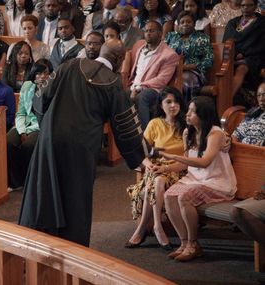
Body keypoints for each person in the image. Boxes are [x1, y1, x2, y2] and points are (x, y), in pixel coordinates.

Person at [19, 39, 149, 246]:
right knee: (75, 195)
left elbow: (40, 98)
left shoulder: (68, 66)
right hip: (82, 148)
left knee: (44, 187)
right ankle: (71, 248)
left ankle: (36, 243)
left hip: (50, 141)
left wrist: (47, 128)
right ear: (119, 59)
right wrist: (140, 157)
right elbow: (125, 124)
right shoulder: (113, 83)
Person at [162, 96, 237, 262]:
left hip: (217, 182)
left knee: (184, 197)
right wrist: (164, 167)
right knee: (168, 196)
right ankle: (183, 243)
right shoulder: (188, 132)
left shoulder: (215, 133)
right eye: (188, 110)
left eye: (192, 111)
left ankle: (193, 244)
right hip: (195, 179)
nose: (187, 114)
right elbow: (185, 164)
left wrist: (175, 157)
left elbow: (204, 162)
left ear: (204, 115)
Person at [125, 87, 186, 250]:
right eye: (168, 102)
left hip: (179, 170)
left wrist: (166, 168)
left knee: (157, 179)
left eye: (176, 102)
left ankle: (144, 228)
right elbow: (142, 152)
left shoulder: (186, 125)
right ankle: (157, 226)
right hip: (156, 169)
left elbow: (189, 157)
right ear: (161, 105)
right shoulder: (155, 123)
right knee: (157, 179)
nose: (173, 105)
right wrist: (148, 164)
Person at [7, 59, 52, 189]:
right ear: (33, 74)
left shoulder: (53, 89)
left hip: (41, 126)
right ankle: (15, 182)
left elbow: (46, 117)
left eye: (46, 73)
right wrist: (21, 131)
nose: (42, 76)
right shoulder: (27, 86)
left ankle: (29, 180)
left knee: (28, 145)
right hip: (24, 124)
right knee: (8, 142)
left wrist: (30, 131)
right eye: (38, 73)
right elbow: (20, 113)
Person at [129, 21, 179, 130]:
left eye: (152, 31)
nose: (148, 33)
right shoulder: (140, 49)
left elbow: (162, 80)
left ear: (160, 33)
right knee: (118, 95)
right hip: (134, 86)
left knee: (142, 97)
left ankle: (145, 136)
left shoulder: (169, 55)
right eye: (146, 31)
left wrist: (139, 87)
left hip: (155, 90)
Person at [223, 0, 265, 107]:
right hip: (233, 55)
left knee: (242, 68)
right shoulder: (233, 22)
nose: (245, 8)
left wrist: (243, 53)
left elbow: (260, 44)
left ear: (255, 6)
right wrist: (236, 53)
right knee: (224, 67)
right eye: (243, 5)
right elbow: (227, 41)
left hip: (255, 56)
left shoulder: (261, 23)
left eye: (249, 5)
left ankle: (225, 102)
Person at [165, 12, 213, 102]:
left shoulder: (202, 38)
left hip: (193, 72)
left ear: (194, 24)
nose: (185, 24)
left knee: (183, 82)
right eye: (182, 22)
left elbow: (208, 60)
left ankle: (185, 111)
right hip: (170, 70)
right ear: (178, 25)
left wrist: (188, 67)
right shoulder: (171, 37)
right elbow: (162, 54)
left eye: (188, 22)